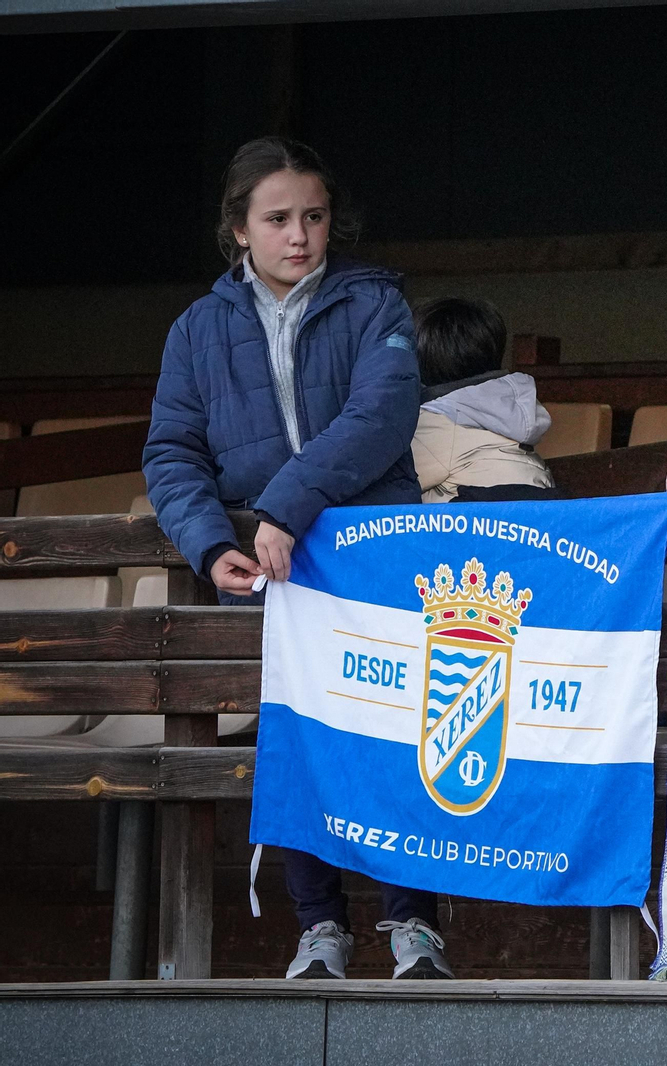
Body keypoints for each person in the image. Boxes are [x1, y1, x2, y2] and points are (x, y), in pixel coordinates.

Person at [142, 137, 453, 980]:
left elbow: (381, 418)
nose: (300, 235)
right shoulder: (197, 329)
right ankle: (320, 929)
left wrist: (283, 506)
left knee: (397, 733)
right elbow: (172, 452)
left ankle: (412, 926)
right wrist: (210, 543)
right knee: (299, 739)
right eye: (277, 218)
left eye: (313, 217)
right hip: (267, 572)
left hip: (375, 558)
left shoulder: (375, 303)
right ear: (238, 229)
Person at [410, 296, 556, 503]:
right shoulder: (510, 408)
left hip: (471, 520)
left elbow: (382, 479)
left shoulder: (436, 421)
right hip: (523, 516)